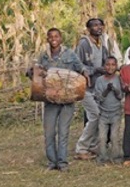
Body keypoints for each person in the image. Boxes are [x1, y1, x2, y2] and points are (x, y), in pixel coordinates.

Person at [29, 28, 88, 171]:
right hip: (50, 100)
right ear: (47, 39)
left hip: (67, 101)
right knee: (49, 132)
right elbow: (36, 73)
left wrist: (86, 77)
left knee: (63, 131)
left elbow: (81, 68)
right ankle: (52, 162)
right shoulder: (43, 56)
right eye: (51, 36)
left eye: (56, 36)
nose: (53, 39)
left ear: (61, 38)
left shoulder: (70, 54)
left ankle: (62, 163)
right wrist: (32, 72)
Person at [74, 17, 110, 160]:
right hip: (86, 87)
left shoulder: (103, 45)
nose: (98, 28)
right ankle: (82, 147)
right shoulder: (84, 44)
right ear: (88, 29)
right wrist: (95, 70)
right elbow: (77, 65)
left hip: (98, 87)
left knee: (99, 115)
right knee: (95, 115)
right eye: (94, 26)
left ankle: (93, 146)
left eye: (100, 25)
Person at [94, 57, 123, 165]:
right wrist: (106, 91)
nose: (110, 67)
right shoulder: (99, 80)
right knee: (102, 137)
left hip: (116, 112)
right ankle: (102, 158)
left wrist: (115, 90)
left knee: (114, 136)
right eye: (107, 65)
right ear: (104, 66)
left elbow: (120, 96)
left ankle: (117, 158)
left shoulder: (119, 79)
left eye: (113, 65)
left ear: (116, 66)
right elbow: (98, 98)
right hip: (103, 114)